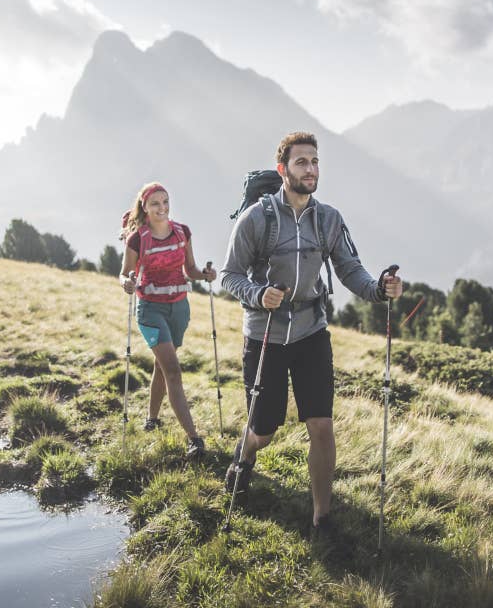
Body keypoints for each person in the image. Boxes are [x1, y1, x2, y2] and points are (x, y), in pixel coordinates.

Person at [220, 131, 403, 537]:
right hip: (265, 333)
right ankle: (244, 455)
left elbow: (349, 269)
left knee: (321, 423)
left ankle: (323, 518)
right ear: (283, 169)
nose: (311, 169)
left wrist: (378, 289)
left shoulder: (328, 219)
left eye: (315, 161)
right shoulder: (258, 219)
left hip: (311, 331)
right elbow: (229, 275)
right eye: (302, 162)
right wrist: (256, 294)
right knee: (264, 428)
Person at [119, 182, 216, 459]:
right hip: (150, 310)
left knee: (161, 367)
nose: (162, 208)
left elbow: (192, 270)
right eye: (155, 204)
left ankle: (151, 419)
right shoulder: (137, 239)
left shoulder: (182, 232)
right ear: (145, 208)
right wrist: (127, 282)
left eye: (165, 202)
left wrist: (206, 275)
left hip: (179, 309)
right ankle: (194, 439)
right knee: (173, 371)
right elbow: (124, 272)